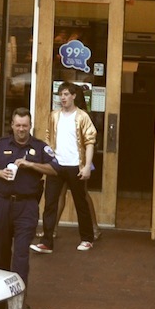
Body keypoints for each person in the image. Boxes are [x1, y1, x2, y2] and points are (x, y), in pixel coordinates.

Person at [0, 109, 57, 286]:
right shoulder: (1, 144)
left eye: (25, 125)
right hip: (2, 204)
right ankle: (3, 290)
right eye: (18, 125)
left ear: (30, 126)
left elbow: (55, 169)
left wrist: (31, 164)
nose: (21, 129)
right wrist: (0, 173)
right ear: (12, 125)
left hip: (26, 206)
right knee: (1, 249)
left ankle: (19, 293)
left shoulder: (40, 147)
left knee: (21, 253)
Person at [31, 81, 96, 253]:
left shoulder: (82, 116)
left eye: (66, 94)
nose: (63, 97)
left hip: (76, 166)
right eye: (61, 94)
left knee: (80, 203)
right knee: (50, 203)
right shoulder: (54, 116)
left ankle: (87, 238)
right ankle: (46, 241)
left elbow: (90, 142)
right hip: (56, 166)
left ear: (74, 96)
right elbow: (48, 139)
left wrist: (87, 166)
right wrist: (47, 161)